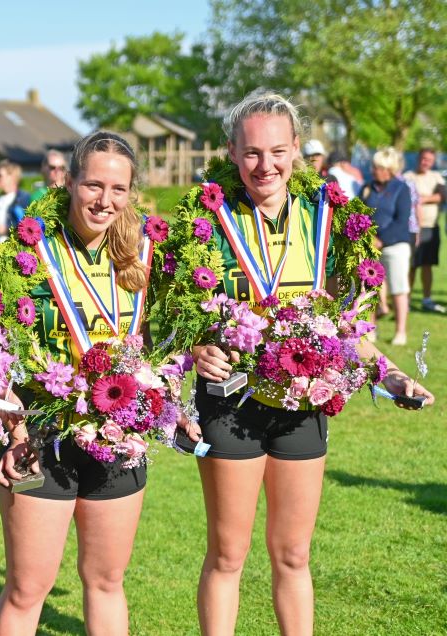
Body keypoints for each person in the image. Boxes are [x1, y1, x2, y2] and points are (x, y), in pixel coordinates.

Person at [187, 91, 434, 636]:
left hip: (303, 404)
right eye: (251, 152)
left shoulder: (327, 222)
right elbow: (176, 322)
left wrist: (389, 374)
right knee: (228, 555)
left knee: (294, 554)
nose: (265, 165)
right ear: (231, 152)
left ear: (297, 148)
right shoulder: (204, 223)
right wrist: (193, 350)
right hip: (230, 403)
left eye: (278, 150)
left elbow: (347, 329)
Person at [0, 132, 152, 636]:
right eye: (94, 185)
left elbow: (158, 342)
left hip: (116, 439)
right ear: (69, 181)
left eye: (118, 189)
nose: (105, 201)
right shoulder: (28, 255)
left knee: (106, 581)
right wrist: (14, 431)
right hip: (42, 438)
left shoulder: (143, 258)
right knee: (27, 587)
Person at [363, 147, 414, 345]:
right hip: (370, 245)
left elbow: (402, 221)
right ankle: (370, 329)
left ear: (388, 169)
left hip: (395, 245)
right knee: (370, 288)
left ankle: (401, 331)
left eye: (377, 167)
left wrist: (382, 239)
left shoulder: (402, 188)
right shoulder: (368, 186)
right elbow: (361, 212)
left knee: (398, 288)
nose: (373, 170)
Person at [403, 148, 445, 313]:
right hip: (412, 229)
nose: (425, 162)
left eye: (429, 159)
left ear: (432, 162)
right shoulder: (407, 177)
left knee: (427, 265)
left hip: (431, 227)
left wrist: (420, 198)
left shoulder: (436, 177)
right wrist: (426, 198)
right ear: (418, 158)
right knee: (411, 266)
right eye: (423, 158)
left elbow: (442, 196)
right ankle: (406, 299)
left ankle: (427, 299)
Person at [0, 159, 30, 243]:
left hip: (12, 251)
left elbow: (28, 227)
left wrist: (7, 230)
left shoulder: (24, 198)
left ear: (11, 177)